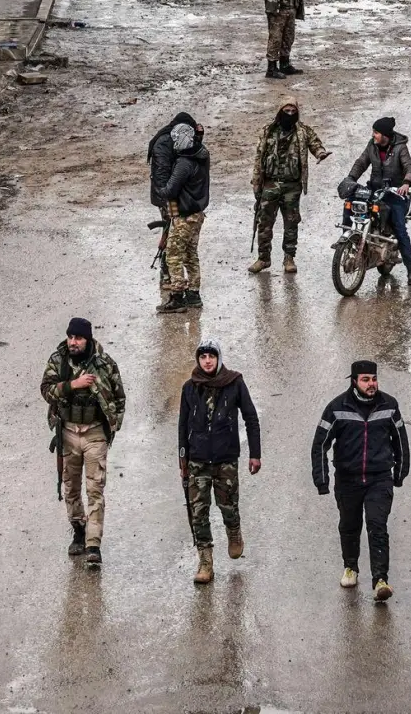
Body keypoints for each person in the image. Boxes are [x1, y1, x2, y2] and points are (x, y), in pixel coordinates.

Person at [311, 360, 410, 603]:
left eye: (374, 379)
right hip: (348, 479)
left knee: (377, 525)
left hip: (379, 478)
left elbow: (401, 442)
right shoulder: (336, 408)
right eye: (365, 380)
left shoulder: (389, 406)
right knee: (349, 525)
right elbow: (320, 444)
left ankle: (380, 580)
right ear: (354, 381)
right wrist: (321, 480)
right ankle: (351, 567)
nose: (371, 384)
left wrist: (400, 473)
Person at [40, 317, 126, 566]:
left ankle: (93, 544)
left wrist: (112, 427)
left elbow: (120, 398)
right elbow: (46, 390)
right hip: (67, 432)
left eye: (78, 338)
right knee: (71, 486)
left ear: (87, 339)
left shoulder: (104, 363)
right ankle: (78, 529)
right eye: (70, 337)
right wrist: (72, 385)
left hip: (94, 434)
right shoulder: (58, 360)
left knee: (95, 489)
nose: (73, 342)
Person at [177, 338, 260, 585]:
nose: (207, 361)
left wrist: (255, 453)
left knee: (228, 506)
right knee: (198, 512)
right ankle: (205, 561)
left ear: (218, 358)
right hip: (197, 460)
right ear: (198, 360)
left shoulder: (234, 383)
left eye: (211, 356)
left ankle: (234, 532)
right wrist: (183, 458)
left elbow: (251, 418)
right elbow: (182, 426)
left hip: (225, 459)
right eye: (203, 357)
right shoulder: (189, 388)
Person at [248, 97, 331, 274]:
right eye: (287, 111)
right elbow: (258, 158)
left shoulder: (303, 131)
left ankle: (289, 258)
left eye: (293, 111)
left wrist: (320, 153)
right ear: (280, 111)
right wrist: (256, 183)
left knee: (291, 223)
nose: (290, 114)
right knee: (264, 223)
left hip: (292, 186)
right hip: (269, 184)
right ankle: (263, 258)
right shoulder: (268, 131)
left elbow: (315, 144)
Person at [342, 116, 411, 285]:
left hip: (395, 194)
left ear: (384, 134)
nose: (373, 135)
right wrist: (351, 179)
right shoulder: (372, 145)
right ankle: (347, 243)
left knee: (399, 227)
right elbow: (361, 163)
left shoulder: (400, 148)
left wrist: (406, 183)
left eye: (376, 132)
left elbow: (410, 168)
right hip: (375, 189)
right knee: (350, 203)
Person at [156, 121, 210, 314]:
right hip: (197, 214)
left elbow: (170, 189)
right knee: (191, 254)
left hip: (184, 215)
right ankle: (194, 295)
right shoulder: (202, 155)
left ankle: (177, 296)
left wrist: (160, 189)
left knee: (173, 254)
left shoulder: (183, 164)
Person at [148, 113, 201, 297]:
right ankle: (167, 275)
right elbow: (162, 175)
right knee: (171, 239)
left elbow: (193, 152)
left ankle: (173, 276)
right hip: (169, 198)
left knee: (177, 240)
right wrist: (168, 198)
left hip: (178, 196)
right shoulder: (164, 143)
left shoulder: (177, 139)